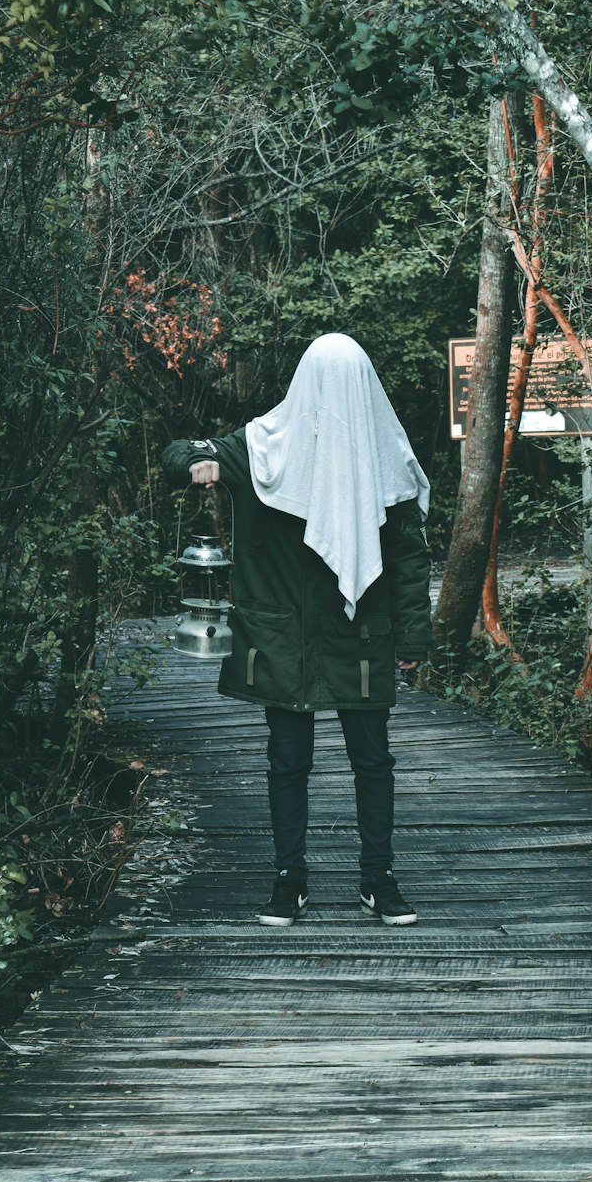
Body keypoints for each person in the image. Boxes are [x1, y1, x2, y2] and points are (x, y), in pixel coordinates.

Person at [161, 332, 432, 927]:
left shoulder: (385, 455)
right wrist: (198, 467)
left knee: (373, 760)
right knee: (288, 760)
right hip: (282, 636)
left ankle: (378, 877)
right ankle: (290, 879)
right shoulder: (264, 446)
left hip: (361, 629)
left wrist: (412, 640)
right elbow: (178, 451)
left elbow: (410, 557)